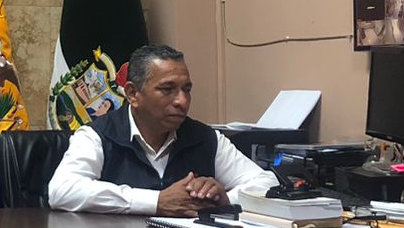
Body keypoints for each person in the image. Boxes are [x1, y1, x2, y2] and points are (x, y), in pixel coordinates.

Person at [47, 43, 276, 215]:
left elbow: (267, 183)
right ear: (133, 94)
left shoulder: (205, 138)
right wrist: (156, 201)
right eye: (168, 89)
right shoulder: (97, 135)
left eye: (186, 89)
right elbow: (62, 191)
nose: (182, 101)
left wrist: (224, 198)